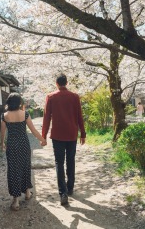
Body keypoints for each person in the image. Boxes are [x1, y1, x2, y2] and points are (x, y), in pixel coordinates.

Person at [41, 73, 86, 206]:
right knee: (70, 160)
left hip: (57, 135)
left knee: (59, 162)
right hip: (72, 134)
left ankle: (63, 193)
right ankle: (70, 187)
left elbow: (46, 117)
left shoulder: (51, 97)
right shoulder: (75, 97)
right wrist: (83, 133)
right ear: (66, 83)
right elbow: (79, 116)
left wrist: (43, 136)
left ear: (56, 83)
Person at [0, 93, 46, 211]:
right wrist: (42, 140)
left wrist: (2, 144)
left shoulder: (4, 116)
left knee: (13, 170)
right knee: (25, 167)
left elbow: (2, 133)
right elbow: (33, 130)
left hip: (12, 145)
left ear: (9, 103)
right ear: (19, 103)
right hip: (24, 145)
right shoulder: (25, 114)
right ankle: (27, 192)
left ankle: (15, 201)